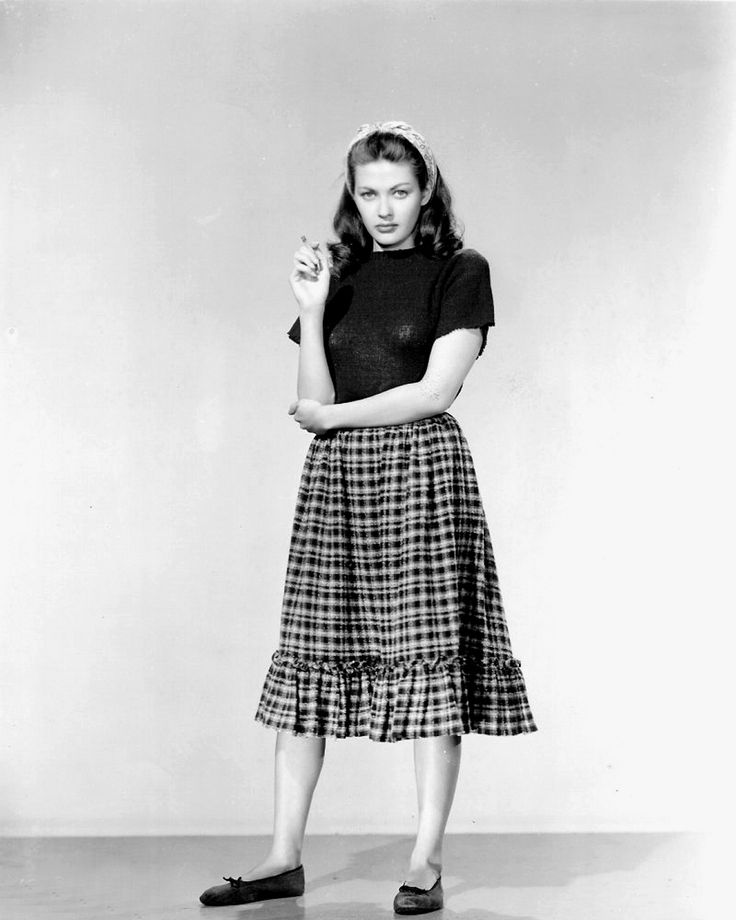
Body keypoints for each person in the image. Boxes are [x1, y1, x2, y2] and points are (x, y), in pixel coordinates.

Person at [199, 121, 537, 914]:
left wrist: (332, 419)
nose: (384, 209)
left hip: (421, 473)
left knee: (426, 665)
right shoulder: (342, 273)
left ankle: (425, 861)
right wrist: (313, 310)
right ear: (352, 196)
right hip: (338, 486)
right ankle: (283, 857)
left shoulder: (460, 269)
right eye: (368, 192)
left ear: (427, 193)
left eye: (400, 191)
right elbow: (315, 393)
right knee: (310, 662)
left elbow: (434, 391)